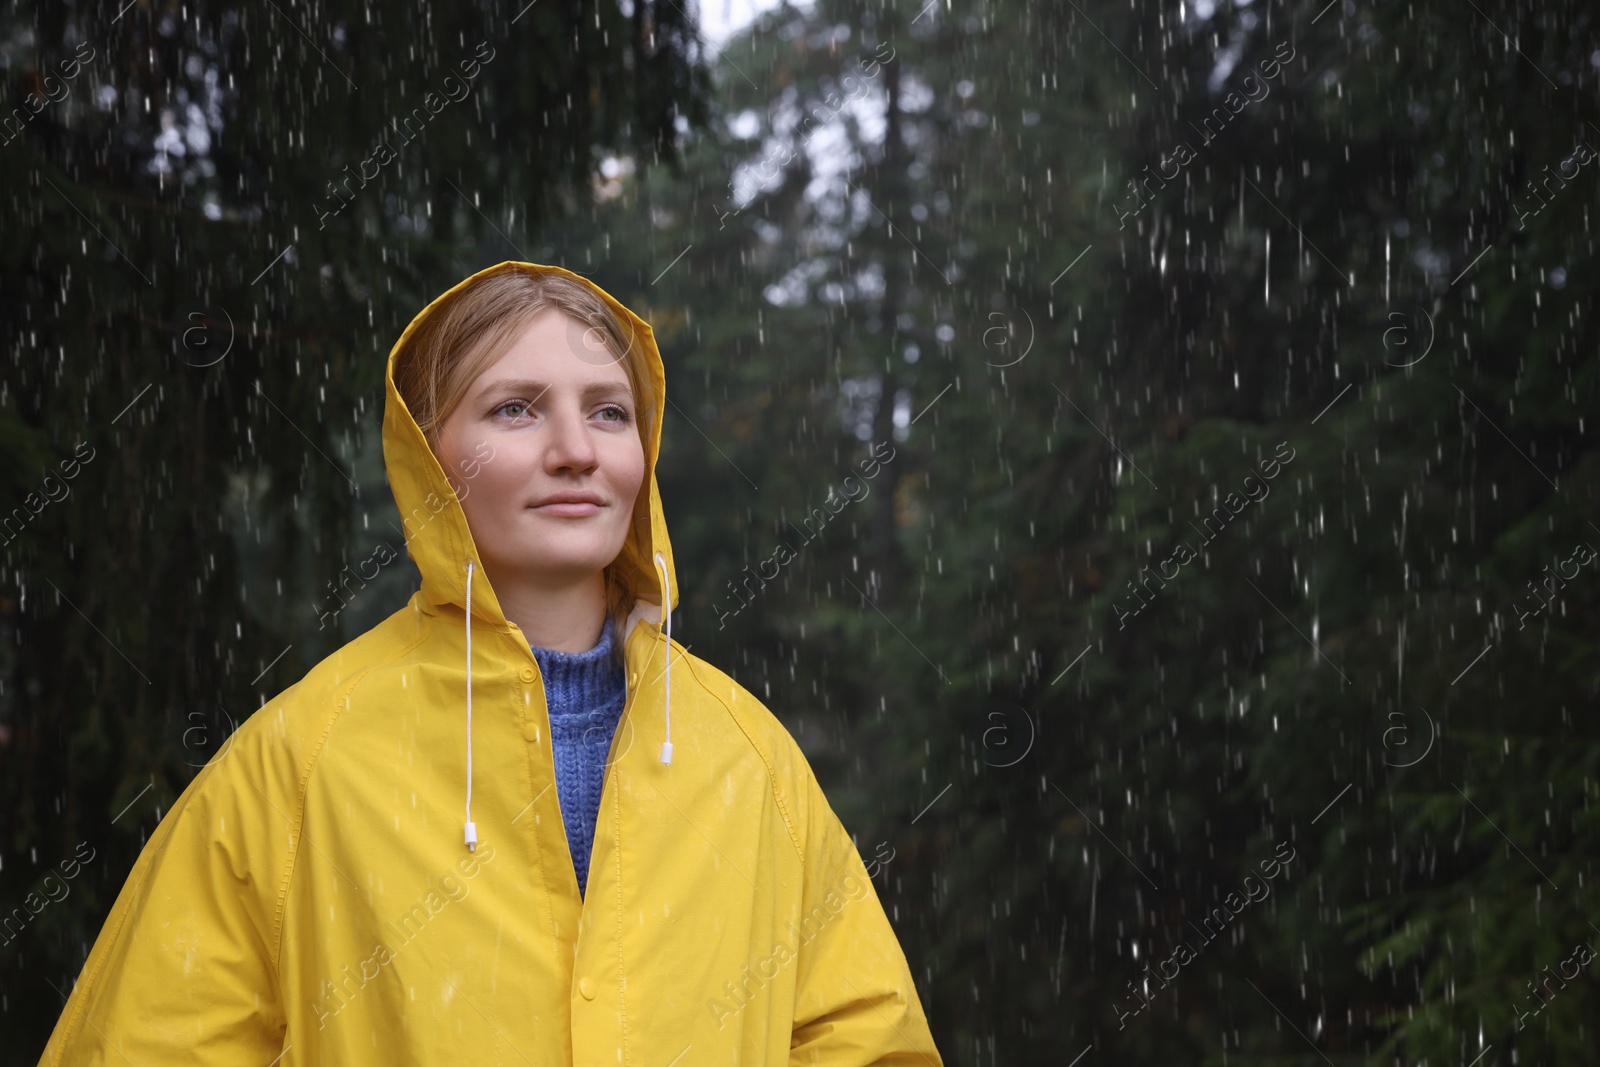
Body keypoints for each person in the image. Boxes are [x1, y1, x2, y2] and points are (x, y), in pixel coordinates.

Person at [37, 261, 944, 1065]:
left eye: (609, 412)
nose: (576, 450)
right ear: (428, 455)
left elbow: (864, 1041)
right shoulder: (303, 760)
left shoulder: (751, 761)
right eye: (515, 407)